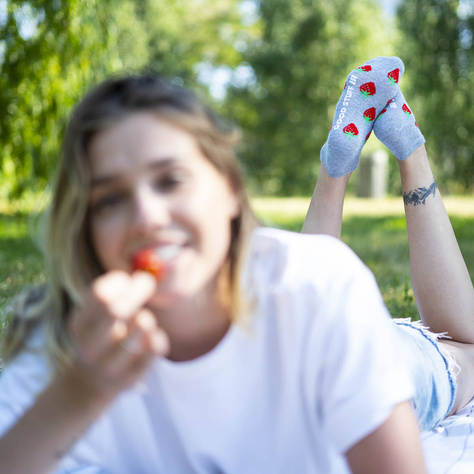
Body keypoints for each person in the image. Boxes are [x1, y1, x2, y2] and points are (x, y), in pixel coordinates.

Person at [0, 57, 469, 473]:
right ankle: (361, 160)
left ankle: (401, 153)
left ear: (229, 188)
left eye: (170, 180)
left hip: (366, 342)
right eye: (110, 199)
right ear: (85, 226)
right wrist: (79, 391)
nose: (146, 217)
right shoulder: (61, 347)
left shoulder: (321, 291)